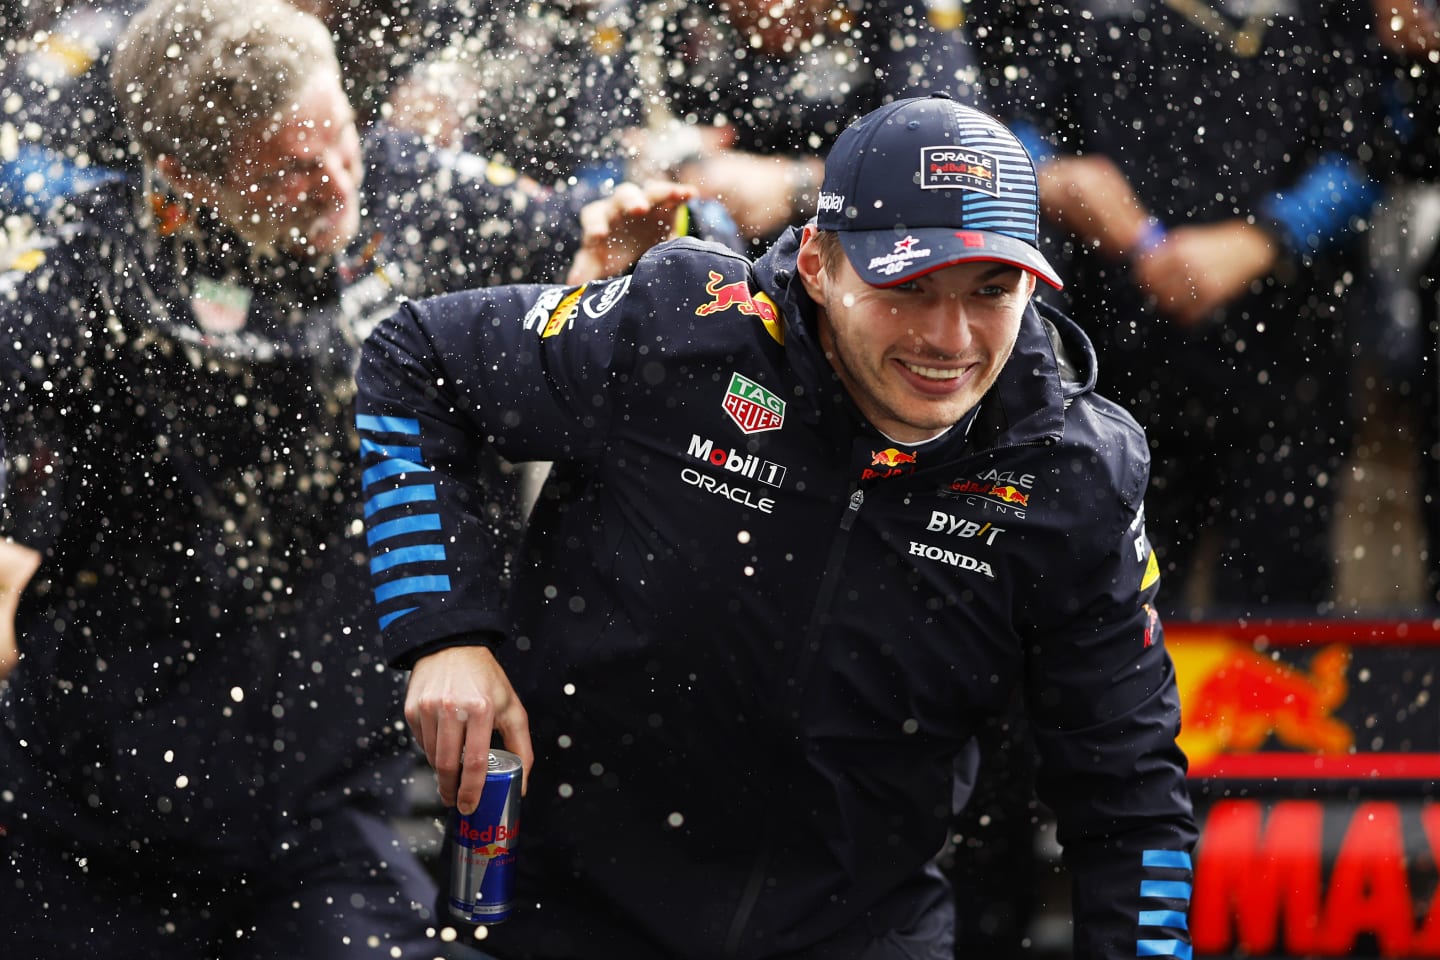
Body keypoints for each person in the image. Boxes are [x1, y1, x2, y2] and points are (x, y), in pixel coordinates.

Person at [356, 94, 1198, 959]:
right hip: (571, 916)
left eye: (992, 289)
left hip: (858, 934)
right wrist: (446, 630)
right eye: (908, 286)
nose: (951, 338)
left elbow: (1129, 797)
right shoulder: (685, 326)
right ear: (820, 263)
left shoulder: (1075, 472)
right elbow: (412, 359)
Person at [0, 0, 696, 954]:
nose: (336, 182)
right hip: (97, 803)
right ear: (185, 178)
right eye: (289, 166)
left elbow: (606, 260)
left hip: (346, 795)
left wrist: (613, 282)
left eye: (340, 139)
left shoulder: (426, 202)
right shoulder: (87, 268)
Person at [990, 0, 1383, 615]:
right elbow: (1008, 125)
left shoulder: (1327, 18)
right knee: (1109, 604)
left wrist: (1268, 238)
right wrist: (1056, 180)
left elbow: (1369, 150)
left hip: (1291, 360)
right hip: (1115, 360)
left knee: (1276, 620)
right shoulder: (1075, 15)